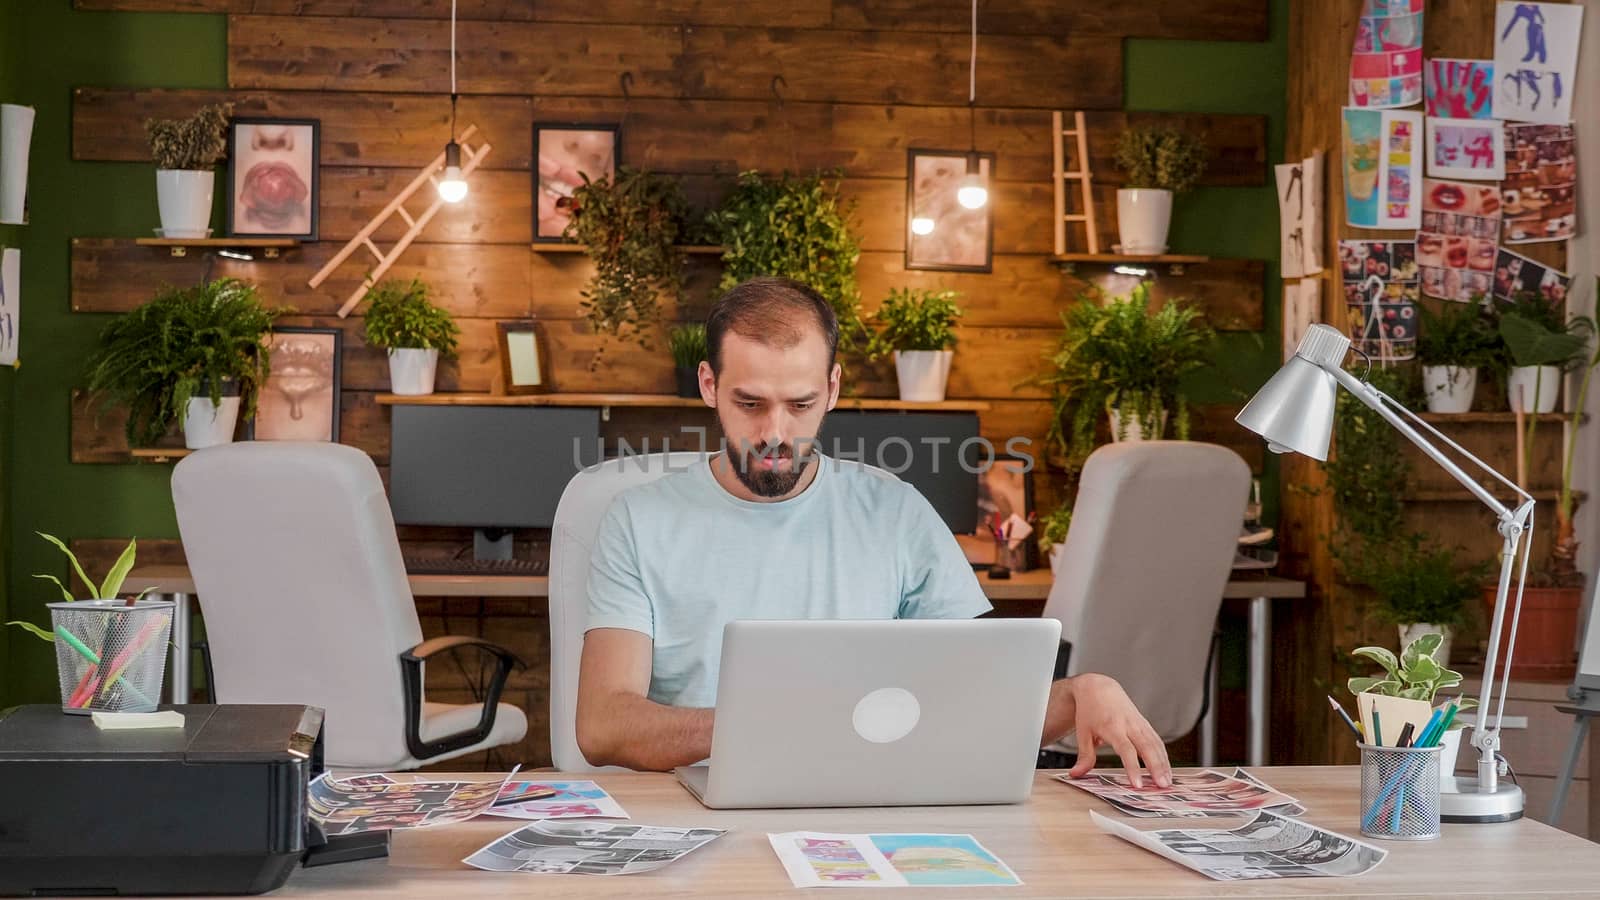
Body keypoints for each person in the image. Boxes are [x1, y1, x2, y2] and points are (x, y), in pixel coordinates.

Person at [574, 277, 1173, 786]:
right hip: (697, 818)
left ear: (832, 389)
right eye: (750, 404)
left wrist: (1077, 694)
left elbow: (976, 697)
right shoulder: (638, 520)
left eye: (801, 404)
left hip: (865, 814)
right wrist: (772, 722)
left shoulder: (896, 514)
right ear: (709, 386)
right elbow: (604, 726)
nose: (775, 433)